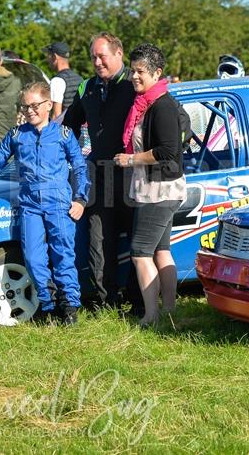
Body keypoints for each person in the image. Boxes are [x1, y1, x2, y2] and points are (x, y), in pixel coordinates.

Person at [0, 82, 90, 324]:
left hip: (59, 204)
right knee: (33, 258)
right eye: (25, 106)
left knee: (63, 255)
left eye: (34, 105)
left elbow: (80, 167)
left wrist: (80, 199)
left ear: (48, 105)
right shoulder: (16, 135)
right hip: (30, 206)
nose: (29, 111)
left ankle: (69, 308)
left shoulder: (64, 134)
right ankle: (48, 305)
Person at [62, 32, 140, 311]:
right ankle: (108, 303)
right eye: (93, 56)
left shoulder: (136, 83)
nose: (97, 61)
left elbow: (169, 121)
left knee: (138, 243)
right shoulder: (87, 88)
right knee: (98, 241)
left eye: (102, 56)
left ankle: (138, 299)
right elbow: (67, 125)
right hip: (99, 175)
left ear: (118, 54)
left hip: (133, 176)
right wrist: (71, 158)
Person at [114, 43, 188, 327]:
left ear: (157, 73)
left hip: (160, 190)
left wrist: (131, 160)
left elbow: (167, 150)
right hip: (160, 188)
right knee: (161, 250)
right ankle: (168, 310)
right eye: (132, 71)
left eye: (140, 71)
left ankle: (151, 315)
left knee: (140, 253)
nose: (134, 76)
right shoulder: (148, 103)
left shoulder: (163, 106)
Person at [43, 41, 84, 118]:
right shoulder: (80, 78)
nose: (47, 59)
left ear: (55, 57)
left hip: (66, 128)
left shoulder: (57, 80)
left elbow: (56, 116)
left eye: (48, 55)